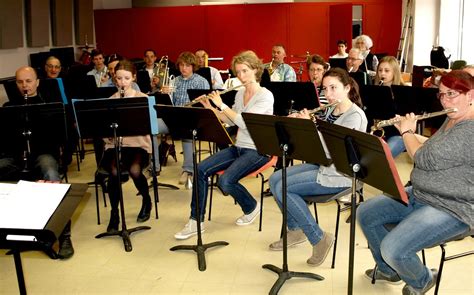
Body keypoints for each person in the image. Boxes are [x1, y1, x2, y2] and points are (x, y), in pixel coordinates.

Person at [357, 70, 473, 295]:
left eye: (452, 94)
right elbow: (435, 148)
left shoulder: (470, 128)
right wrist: (411, 134)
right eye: (441, 94)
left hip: (453, 206)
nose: (445, 100)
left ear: (471, 95)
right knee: (366, 213)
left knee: (393, 248)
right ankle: (389, 270)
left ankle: (422, 279)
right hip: (421, 194)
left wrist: (408, 131)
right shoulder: (454, 118)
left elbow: (423, 158)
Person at [268, 68, 368, 266]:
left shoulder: (354, 117)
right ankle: (296, 229)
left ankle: (318, 238)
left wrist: (310, 127)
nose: (328, 94)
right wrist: (302, 126)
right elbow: (318, 148)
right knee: (274, 179)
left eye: (334, 88)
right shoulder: (331, 109)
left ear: (347, 88)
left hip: (339, 174)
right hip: (323, 165)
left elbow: (331, 150)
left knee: (283, 187)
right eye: (325, 89)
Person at [174, 50, 274, 240]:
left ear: (255, 70)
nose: (241, 76)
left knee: (225, 181)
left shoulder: (265, 96)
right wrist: (211, 109)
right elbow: (231, 121)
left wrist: (221, 105)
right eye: (238, 72)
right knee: (200, 169)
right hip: (239, 147)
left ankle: (251, 206)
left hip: (259, 149)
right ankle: (196, 221)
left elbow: (246, 122)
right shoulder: (240, 93)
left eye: (245, 71)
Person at [0, 66, 74, 259]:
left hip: (43, 154)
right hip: (17, 156)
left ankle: (64, 235)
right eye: (20, 82)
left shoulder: (50, 105)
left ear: (37, 82)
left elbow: (64, 137)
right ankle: (17, 232)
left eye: (29, 81)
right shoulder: (9, 107)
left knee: (51, 174)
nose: (25, 85)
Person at [102, 60, 153, 232]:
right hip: (115, 146)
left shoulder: (143, 100)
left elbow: (151, 128)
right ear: (114, 79)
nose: (122, 82)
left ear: (134, 78)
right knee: (114, 171)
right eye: (119, 78)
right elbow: (103, 133)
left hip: (138, 146)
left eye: (126, 78)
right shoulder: (110, 100)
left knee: (135, 170)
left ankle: (146, 199)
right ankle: (115, 212)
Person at [161, 51, 210, 187]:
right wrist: (166, 95)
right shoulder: (174, 81)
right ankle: (154, 166)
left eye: (187, 65)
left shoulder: (201, 81)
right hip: (175, 116)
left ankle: (188, 169)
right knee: (152, 126)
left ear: (193, 66)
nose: (184, 68)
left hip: (194, 118)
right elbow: (169, 104)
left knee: (187, 132)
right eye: (181, 65)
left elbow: (205, 106)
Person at [374, 55, 406, 158]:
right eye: (380, 70)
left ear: (394, 72)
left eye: (387, 71)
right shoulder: (373, 90)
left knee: (382, 157)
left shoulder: (403, 91)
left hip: (396, 134)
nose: (382, 73)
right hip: (377, 132)